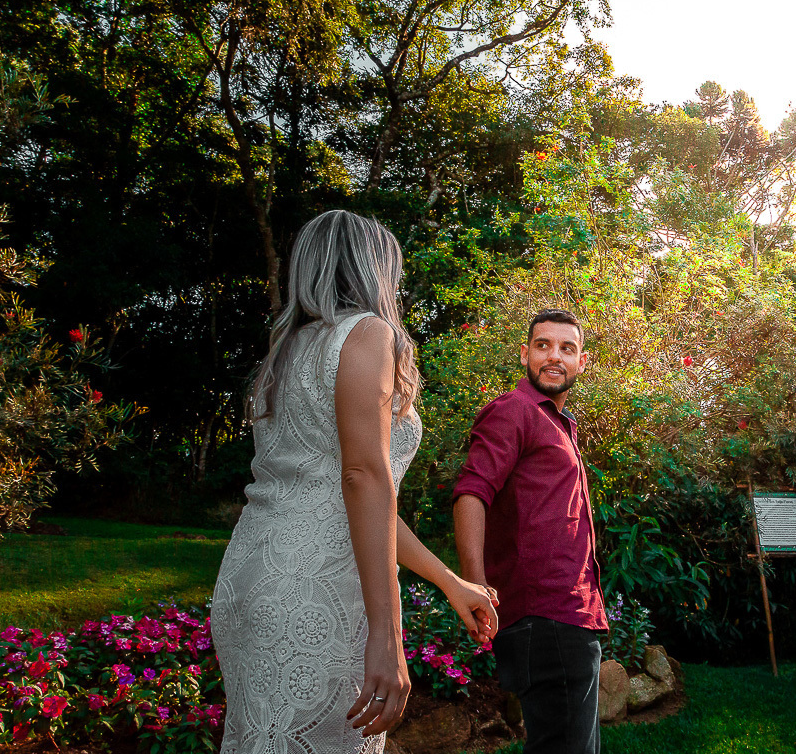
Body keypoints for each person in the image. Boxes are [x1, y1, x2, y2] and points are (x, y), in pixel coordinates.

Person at [211, 210, 497, 754]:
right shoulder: (367, 334)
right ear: (372, 269)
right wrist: (387, 637)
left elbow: (360, 499)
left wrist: (448, 581)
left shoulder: (286, 352)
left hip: (249, 582)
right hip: (315, 593)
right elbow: (364, 478)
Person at [452, 308, 608, 754]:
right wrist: (474, 583)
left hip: (571, 617)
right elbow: (472, 493)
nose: (554, 356)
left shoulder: (561, 424)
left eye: (567, 348)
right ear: (525, 355)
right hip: (546, 618)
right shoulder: (514, 411)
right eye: (543, 346)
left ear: (582, 362)